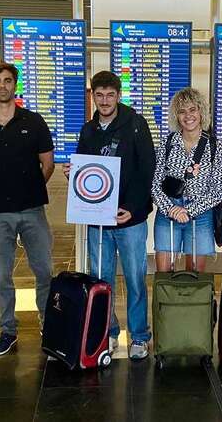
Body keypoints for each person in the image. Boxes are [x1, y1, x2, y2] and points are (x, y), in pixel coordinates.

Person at [63, 70, 155, 360]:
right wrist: (73, 175)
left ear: (118, 96)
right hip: (98, 220)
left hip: (131, 220)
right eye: (99, 95)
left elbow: (147, 169)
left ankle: (139, 336)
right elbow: (86, 173)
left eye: (110, 95)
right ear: (93, 96)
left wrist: (134, 209)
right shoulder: (88, 130)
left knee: (135, 279)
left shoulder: (136, 125)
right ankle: (109, 333)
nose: (104, 100)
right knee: (101, 280)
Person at [0, 61, 55, 356]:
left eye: (7, 80)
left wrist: (28, 188)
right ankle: (8, 329)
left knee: (43, 270)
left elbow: (48, 163)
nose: (2, 85)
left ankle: (48, 323)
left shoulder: (33, 121)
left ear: (15, 85)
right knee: (2, 274)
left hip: (32, 210)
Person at [151, 88, 222, 272]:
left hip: (200, 215)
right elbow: (155, 184)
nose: (188, 116)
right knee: (164, 274)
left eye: (193, 109)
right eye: (182, 111)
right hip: (168, 212)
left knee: (195, 277)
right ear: (176, 116)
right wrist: (171, 209)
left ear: (201, 112)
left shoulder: (215, 146)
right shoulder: (167, 143)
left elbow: (217, 191)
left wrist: (189, 210)